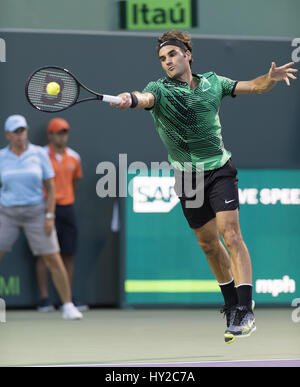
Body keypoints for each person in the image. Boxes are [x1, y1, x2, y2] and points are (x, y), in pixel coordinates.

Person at [111, 30, 298, 343]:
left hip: (219, 170)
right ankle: (231, 305)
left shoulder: (214, 82)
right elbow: (144, 99)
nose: (167, 61)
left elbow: (254, 86)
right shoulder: (159, 89)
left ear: (187, 55)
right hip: (187, 177)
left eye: (172, 54)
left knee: (231, 233)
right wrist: (130, 99)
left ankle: (245, 308)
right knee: (209, 244)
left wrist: (270, 77)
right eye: (162, 59)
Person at [0, 114, 83, 320]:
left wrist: (48, 215)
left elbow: (50, 185)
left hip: (36, 212)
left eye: (23, 131)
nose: (20, 136)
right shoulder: (1, 157)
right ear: (8, 135)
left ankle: (67, 305)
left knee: (53, 258)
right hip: (8, 213)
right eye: (15, 132)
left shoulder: (38, 154)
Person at [36, 117, 88, 312]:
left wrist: (65, 197)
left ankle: (66, 298)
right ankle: (44, 299)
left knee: (68, 254)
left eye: (64, 132)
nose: (62, 136)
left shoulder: (74, 157)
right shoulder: (40, 155)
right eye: (58, 132)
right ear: (50, 135)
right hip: (45, 209)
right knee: (44, 254)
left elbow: (75, 182)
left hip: (67, 209)